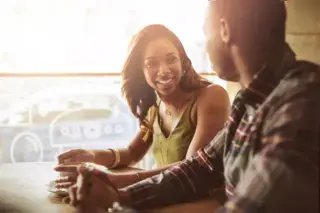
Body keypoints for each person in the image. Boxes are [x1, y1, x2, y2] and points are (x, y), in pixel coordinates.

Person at [67, 0, 320, 212]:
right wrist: (118, 194)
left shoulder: (304, 101)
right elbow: (199, 168)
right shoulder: (249, 103)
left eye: (205, 32)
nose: (205, 45)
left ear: (224, 30)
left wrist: (118, 208)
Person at [55, 24, 230, 188]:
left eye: (171, 59)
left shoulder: (212, 96)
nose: (164, 70)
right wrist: (91, 156)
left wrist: (114, 180)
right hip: (164, 200)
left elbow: (191, 170)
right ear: (141, 72)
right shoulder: (155, 106)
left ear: (183, 62)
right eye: (151, 63)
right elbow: (132, 153)